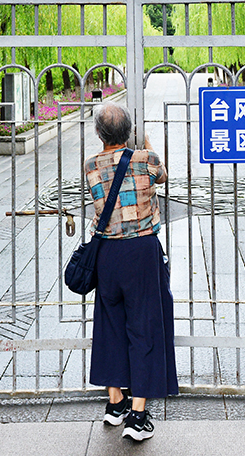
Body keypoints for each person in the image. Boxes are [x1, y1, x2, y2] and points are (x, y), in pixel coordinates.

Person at [84, 102, 178, 442]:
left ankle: (115, 403)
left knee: (110, 325)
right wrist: (148, 143)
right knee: (145, 327)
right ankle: (137, 416)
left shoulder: (91, 165)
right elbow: (162, 176)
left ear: (99, 133)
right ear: (129, 132)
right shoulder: (146, 160)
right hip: (142, 252)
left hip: (108, 255)